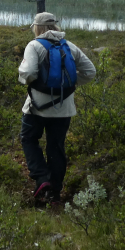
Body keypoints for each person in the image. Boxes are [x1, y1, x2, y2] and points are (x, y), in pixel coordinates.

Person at [18, 12, 96, 205]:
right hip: (64, 109)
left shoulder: (34, 45)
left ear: (37, 27)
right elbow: (90, 72)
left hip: (36, 107)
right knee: (56, 147)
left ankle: (41, 179)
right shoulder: (69, 46)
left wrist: (25, 80)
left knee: (29, 139)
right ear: (55, 26)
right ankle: (54, 192)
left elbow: (28, 73)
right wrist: (68, 85)